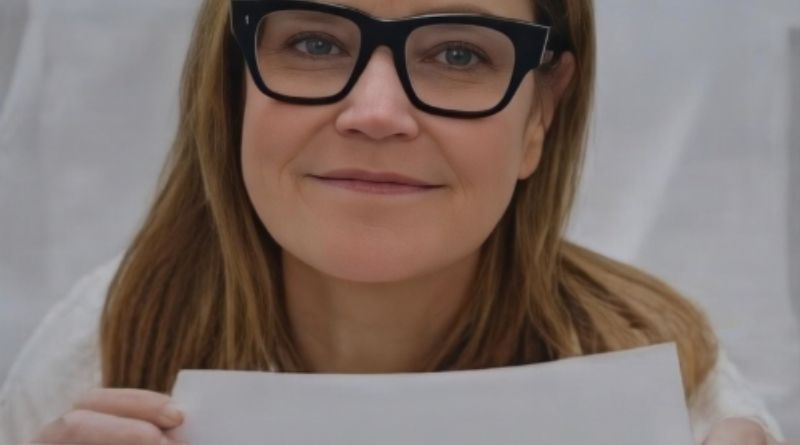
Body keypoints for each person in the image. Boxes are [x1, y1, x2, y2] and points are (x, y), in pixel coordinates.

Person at [0, 0, 788, 443]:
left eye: (458, 55)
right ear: (232, 85)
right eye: (314, 41)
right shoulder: (103, 345)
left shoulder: (670, 381)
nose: (376, 113)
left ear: (541, 116)